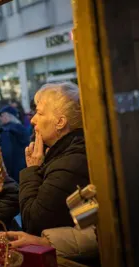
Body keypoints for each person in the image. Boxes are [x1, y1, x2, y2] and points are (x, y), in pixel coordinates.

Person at [19, 82, 90, 236]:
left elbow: (33, 222)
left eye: (39, 113)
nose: (32, 120)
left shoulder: (70, 162)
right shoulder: (60, 153)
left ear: (60, 122)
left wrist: (32, 171)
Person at [0, 106, 30, 182]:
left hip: (11, 172)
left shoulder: (6, 131)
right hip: (24, 168)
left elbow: (6, 153)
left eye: (2, 115)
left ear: (9, 116)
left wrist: (5, 171)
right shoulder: (22, 128)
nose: (0, 118)